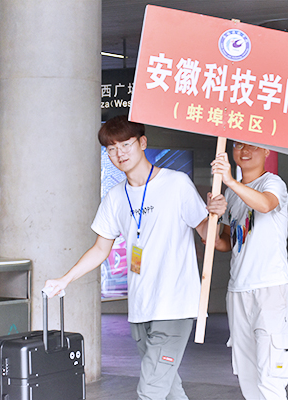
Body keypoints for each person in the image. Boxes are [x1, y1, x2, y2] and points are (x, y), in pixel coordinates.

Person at [44, 115, 227, 400]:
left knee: (150, 391)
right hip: (141, 307)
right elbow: (100, 249)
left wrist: (216, 213)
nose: (119, 153)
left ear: (142, 143)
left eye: (125, 144)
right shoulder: (115, 198)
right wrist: (65, 279)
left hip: (174, 306)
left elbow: (208, 233)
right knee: (168, 389)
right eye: (112, 148)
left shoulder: (176, 184)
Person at [210, 142, 288, 400]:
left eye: (253, 146)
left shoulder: (273, 183)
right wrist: (214, 218)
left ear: (267, 151)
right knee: (246, 373)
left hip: (270, 288)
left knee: (271, 374)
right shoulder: (230, 193)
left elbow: (266, 205)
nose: (245, 151)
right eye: (239, 145)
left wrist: (230, 181)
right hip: (238, 290)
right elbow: (226, 243)